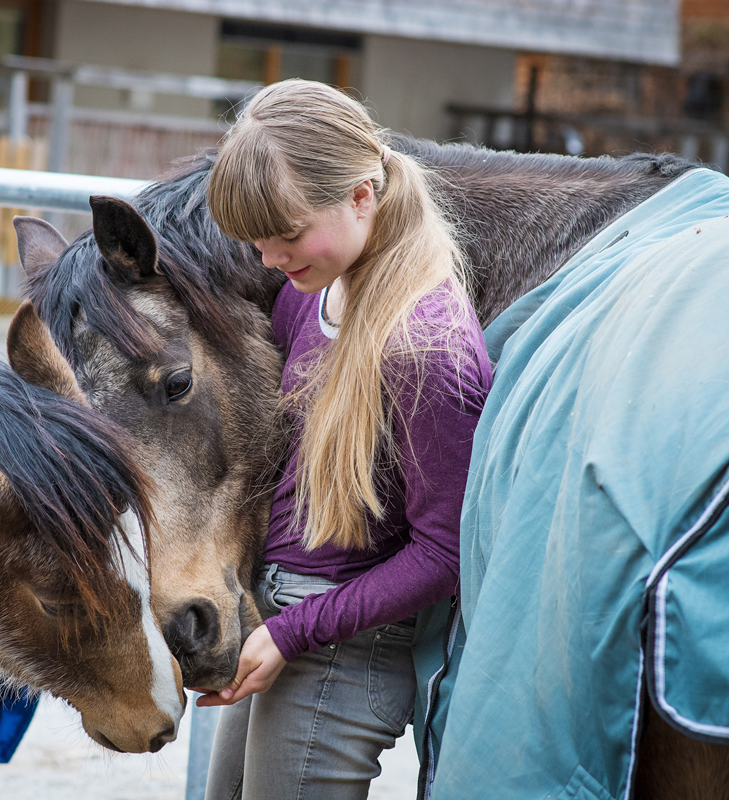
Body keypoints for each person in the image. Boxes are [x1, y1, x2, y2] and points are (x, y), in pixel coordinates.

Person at [196, 79, 494, 800]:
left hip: (341, 646)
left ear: (363, 194)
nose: (269, 258)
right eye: (258, 240)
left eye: (287, 234)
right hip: (279, 614)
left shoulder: (427, 349)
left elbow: (446, 551)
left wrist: (296, 633)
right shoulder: (314, 285)